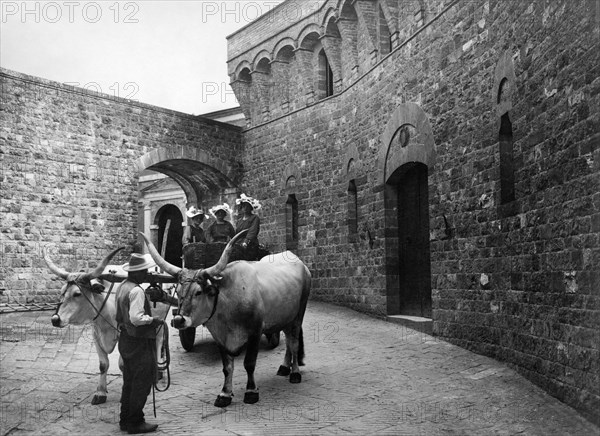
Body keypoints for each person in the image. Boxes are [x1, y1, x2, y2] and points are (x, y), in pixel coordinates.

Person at [115, 253, 163, 434]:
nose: (146, 275)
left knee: (129, 381)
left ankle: (124, 419)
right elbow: (136, 318)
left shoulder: (122, 287)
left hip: (126, 340)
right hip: (138, 341)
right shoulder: (136, 291)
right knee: (141, 382)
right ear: (137, 273)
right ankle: (136, 422)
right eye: (144, 272)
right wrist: (153, 320)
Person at [234, 194, 261, 260]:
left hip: (250, 244)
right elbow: (237, 233)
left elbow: (252, 231)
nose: (245, 208)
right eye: (244, 206)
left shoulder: (254, 218)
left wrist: (246, 242)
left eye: (247, 206)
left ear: (251, 207)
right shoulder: (239, 221)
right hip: (239, 245)